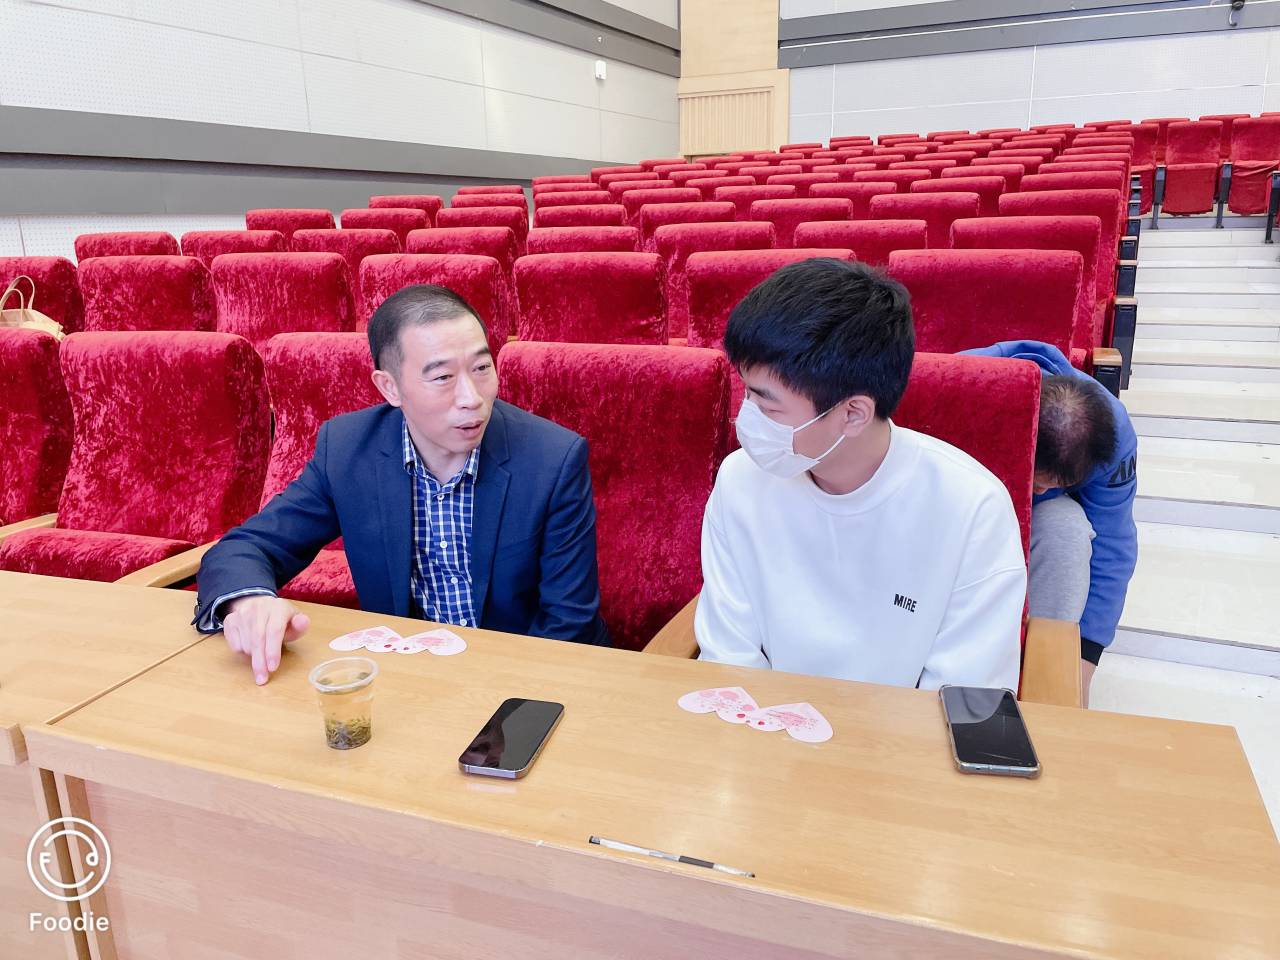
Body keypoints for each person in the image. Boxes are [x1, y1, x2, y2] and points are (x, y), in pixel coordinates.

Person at [195, 284, 609, 684]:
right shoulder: (348, 450)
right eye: (443, 377)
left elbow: (568, 624)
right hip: (407, 682)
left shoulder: (552, 459)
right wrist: (250, 601)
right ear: (389, 387)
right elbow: (245, 548)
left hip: (525, 678)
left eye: (482, 368)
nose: (472, 397)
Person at [695, 259, 1026, 691]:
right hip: (766, 722)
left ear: (853, 414)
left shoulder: (971, 507)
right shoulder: (741, 480)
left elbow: (964, 694)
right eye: (746, 393)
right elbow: (730, 657)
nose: (748, 418)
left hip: (902, 731)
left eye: (768, 405)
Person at [962, 340, 1137, 705]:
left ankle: (1044, 680)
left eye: (1057, 484)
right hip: (956, 512)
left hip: (1031, 533)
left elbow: (1113, 545)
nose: (1042, 490)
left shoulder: (1115, 436)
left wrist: (1083, 661)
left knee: (1066, 528)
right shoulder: (964, 386)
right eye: (1040, 482)